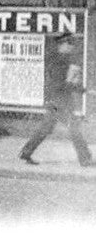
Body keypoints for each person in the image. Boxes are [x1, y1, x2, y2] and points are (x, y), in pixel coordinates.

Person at [20, 33, 91, 166]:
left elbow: (62, 83)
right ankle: (85, 158)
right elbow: (58, 84)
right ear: (62, 45)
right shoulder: (59, 61)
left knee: (46, 128)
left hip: (55, 101)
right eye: (69, 44)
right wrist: (75, 86)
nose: (71, 47)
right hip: (59, 102)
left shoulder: (61, 59)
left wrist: (78, 88)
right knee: (74, 129)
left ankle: (26, 152)